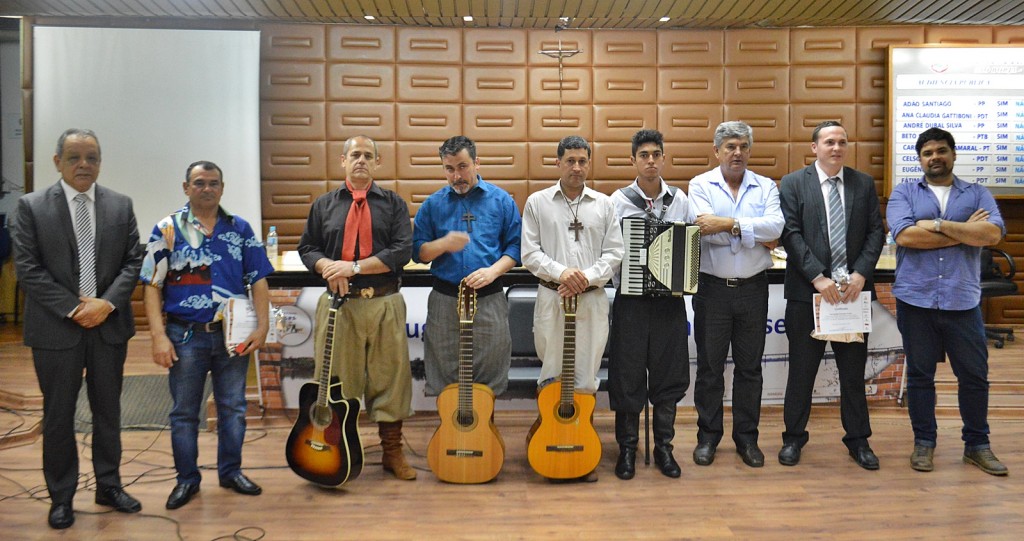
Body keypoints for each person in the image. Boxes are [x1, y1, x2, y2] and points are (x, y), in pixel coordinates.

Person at [13, 129, 144, 529]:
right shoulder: (31, 207)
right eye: (74, 157)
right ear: (57, 162)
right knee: (58, 415)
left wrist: (105, 304)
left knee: (108, 411)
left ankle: (109, 485)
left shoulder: (120, 205)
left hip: (108, 325)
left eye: (91, 157)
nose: (83, 164)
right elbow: (28, 269)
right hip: (56, 329)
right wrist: (75, 308)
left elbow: (133, 260)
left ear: (100, 162)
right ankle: (62, 497)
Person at [140, 161, 274, 510]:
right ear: (186, 187)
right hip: (185, 337)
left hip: (233, 337)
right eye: (199, 183)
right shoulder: (166, 230)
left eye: (214, 183)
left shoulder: (240, 229)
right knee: (185, 413)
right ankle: (187, 480)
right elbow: (152, 286)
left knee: (234, 409)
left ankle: (231, 472)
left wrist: (262, 327)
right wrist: (157, 336)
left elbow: (259, 280)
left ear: (222, 188)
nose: (207, 188)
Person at [887, 127, 1008, 476]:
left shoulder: (977, 193)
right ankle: (924, 443)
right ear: (920, 159)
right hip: (916, 300)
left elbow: (992, 234)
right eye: (927, 153)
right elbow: (906, 236)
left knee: (974, 376)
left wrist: (937, 224)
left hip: (962, 300)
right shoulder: (905, 192)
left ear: (953, 154)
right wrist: (963, 233)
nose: (935, 157)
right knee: (920, 376)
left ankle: (977, 445)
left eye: (941, 150)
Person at [297, 135, 417, 480]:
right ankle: (337, 450)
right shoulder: (324, 205)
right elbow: (308, 248)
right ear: (343, 161)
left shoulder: (393, 204)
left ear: (377, 163)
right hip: (338, 307)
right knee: (335, 383)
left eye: (368, 155)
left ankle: (392, 453)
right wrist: (326, 267)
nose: (361, 160)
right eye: (355, 155)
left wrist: (355, 268)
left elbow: (401, 251)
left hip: (384, 303)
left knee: (390, 380)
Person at [779, 120, 885, 470]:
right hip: (809, 296)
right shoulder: (794, 184)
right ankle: (793, 439)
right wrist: (818, 278)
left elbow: (875, 233)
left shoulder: (863, 183)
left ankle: (858, 441)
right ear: (814, 148)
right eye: (828, 142)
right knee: (801, 373)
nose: (836, 148)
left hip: (853, 295)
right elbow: (791, 235)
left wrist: (860, 274)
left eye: (841, 142)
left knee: (853, 374)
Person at [521, 136, 623, 480]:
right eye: (570, 161)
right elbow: (530, 253)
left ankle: (582, 446)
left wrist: (585, 278)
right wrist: (563, 273)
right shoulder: (537, 202)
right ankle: (548, 439)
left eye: (582, 161)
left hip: (591, 300)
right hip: (552, 298)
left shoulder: (605, 205)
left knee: (585, 373)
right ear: (558, 163)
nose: (576, 167)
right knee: (551, 368)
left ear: (589, 163)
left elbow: (614, 253)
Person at [688, 121, 784, 469]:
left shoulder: (766, 186)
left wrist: (728, 224)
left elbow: (775, 228)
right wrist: (751, 230)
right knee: (710, 370)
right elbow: (702, 228)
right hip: (712, 290)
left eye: (743, 146)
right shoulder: (700, 184)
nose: (737, 153)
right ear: (717, 152)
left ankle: (747, 439)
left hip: (753, 290)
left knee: (750, 369)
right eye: (730, 146)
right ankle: (708, 438)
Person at [607, 129, 692, 480]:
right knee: (627, 376)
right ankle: (627, 449)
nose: (651, 161)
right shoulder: (617, 200)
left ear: (663, 157)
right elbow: (611, 252)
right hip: (631, 303)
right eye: (644, 155)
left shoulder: (680, 200)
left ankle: (664, 449)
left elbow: (689, 244)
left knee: (669, 376)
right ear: (633, 160)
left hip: (669, 303)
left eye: (656, 154)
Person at [413, 135, 522, 396]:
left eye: (462, 166)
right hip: (445, 299)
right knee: (445, 374)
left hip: (488, 297)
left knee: (490, 374)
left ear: (476, 163)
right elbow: (419, 253)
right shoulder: (432, 204)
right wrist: (443, 244)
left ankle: (485, 435)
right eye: (449, 169)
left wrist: (493, 271)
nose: (456, 175)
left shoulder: (501, 200)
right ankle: (451, 436)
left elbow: (516, 248)